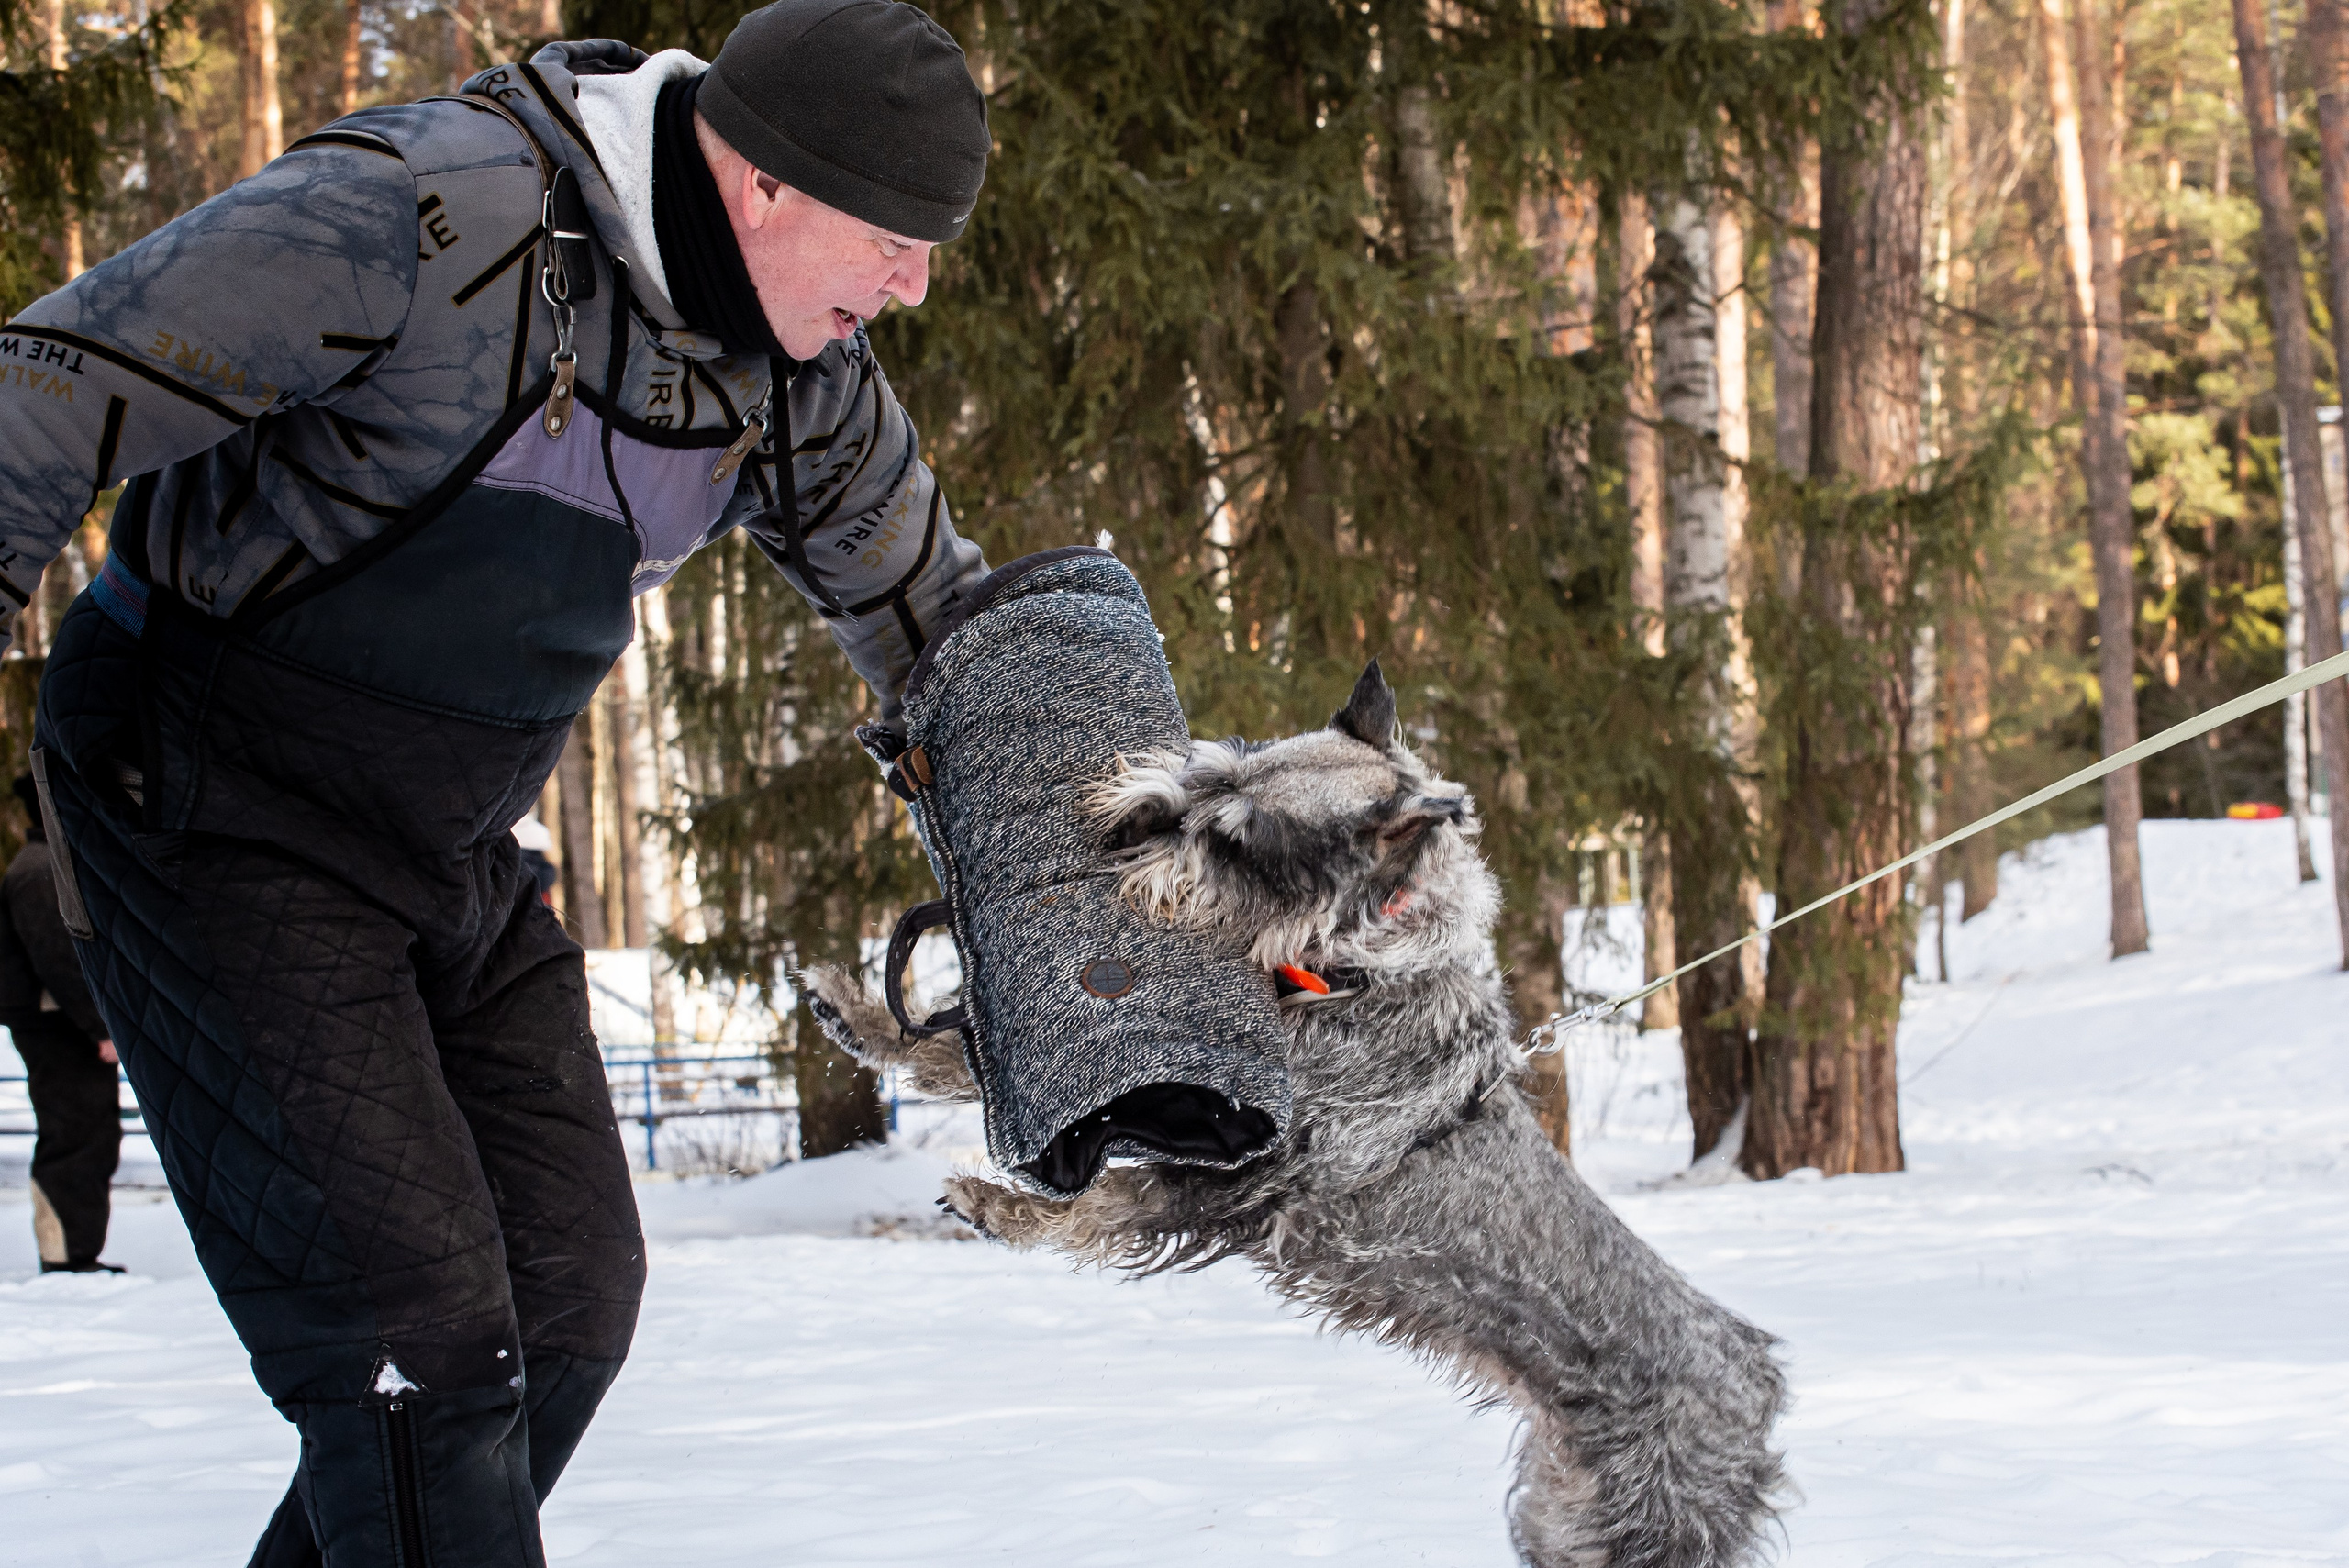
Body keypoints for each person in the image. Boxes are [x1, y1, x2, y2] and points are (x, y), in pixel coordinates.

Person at [0, 2, 991, 1561]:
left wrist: (1127, 883)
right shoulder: (424, 216)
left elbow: (945, 633)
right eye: (896, 237)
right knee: (416, 1346)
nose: (915, 283)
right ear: (768, 186)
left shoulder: (800, 378)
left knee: (567, 1298)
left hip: (446, 829)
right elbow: (47, 385)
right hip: (205, 788)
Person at [0, 774, 123, 1273]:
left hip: (62, 1021)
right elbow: (61, 959)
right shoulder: (44, 869)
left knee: (87, 1132)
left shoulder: (51, 864)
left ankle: (73, 1253)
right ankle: (66, 1258)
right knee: (76, 1134)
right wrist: (101, 1027)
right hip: (58, 1025)